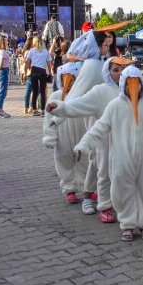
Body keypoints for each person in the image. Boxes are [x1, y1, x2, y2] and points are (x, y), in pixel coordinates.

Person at [75, 66, 143, 241]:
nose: (133, 88)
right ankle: (128, 224)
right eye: (129, 84)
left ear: (141, 85)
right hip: (121, 159)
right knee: (122, 190)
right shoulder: (114, 106)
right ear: (123, 85)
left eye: (136, 84)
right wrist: (83, 145)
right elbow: (99, 128)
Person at [46, 56, 134, 221]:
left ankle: (117, 200)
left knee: (117, 171)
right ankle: (103, 204)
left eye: (123, 70)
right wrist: (61, 108)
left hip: (125, 140)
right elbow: (79, 103)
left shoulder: (133, 89)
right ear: (107, 73)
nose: (120, 74)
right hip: (102, 140)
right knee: (102, 171)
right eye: (116, 70)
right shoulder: (100, 91)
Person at [43, 62, 87, 204]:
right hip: (63, 136)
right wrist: (50, 136)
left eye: (72, 79)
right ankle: (70, 189)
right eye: (65, 79)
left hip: (81, 132)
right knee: (64, 159)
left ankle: (87, 187)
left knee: (85, 160)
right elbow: (48, 118)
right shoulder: (55, 96)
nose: (68, 83)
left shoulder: (82, 95)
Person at [25, 36, 52, 117]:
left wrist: (29, 69)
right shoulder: (45, 51)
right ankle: (43, 110)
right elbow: (48, 63)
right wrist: (50, 73)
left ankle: (35, 110)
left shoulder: (31, 51)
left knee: (35, 91)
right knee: (43, 92)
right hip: (42, 71)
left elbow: (27, 61)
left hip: (34, 70)